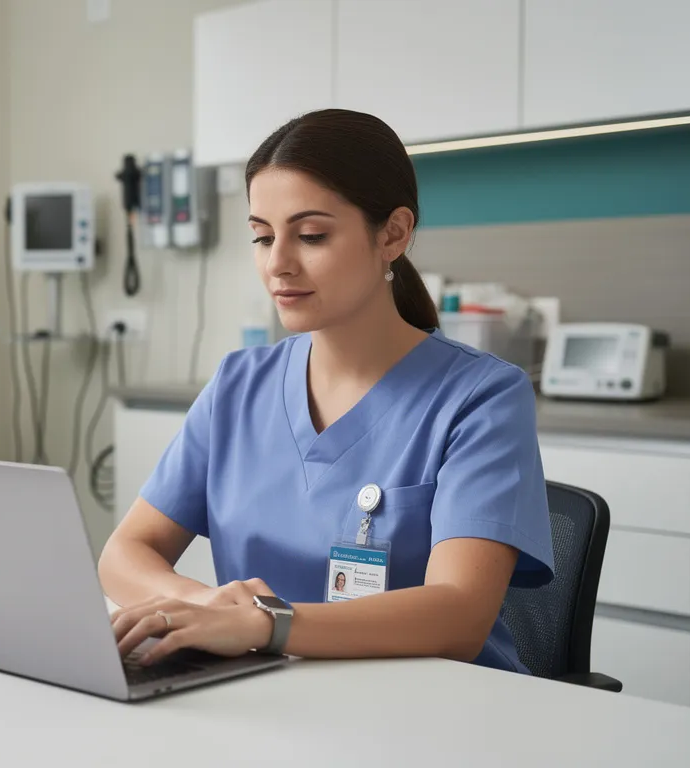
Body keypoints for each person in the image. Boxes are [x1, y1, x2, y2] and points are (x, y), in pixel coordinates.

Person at [100, 109, 553, 674]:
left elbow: (459, 616)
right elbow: (124, 553)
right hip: (271, 694)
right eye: (263, 237)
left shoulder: (481, 397)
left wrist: (267, 624)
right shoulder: (238, 386)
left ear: (393, 234)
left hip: (434, 712)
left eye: (311, 235)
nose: (278, 264)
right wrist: (210, 609)